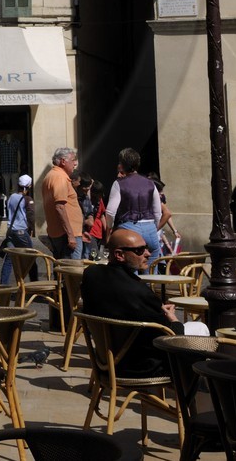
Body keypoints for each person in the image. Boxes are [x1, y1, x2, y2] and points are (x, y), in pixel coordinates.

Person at [79, 228, 187, 376]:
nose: (148, 254)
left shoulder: (91, 274)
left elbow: (119, 300)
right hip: (139, 366)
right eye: (139, 251)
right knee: (200, 333)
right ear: (119, 255)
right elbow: (174, 337)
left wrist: (153, 308)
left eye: (146, 248)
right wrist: (174, 319)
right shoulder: (140, 292)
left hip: (105, 361)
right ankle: (192, 395)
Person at [104, 147, 163, 262]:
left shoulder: (119, 184)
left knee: (130, 268)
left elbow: (110, 211)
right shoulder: (150, 183)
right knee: (151, 270)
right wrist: (153, 227)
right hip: (150, 228)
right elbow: (158, 212)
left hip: (128, 228)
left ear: (122, 164)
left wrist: (110, 227)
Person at [42, 147, 84, 259]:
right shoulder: (60, 177)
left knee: (63, 272)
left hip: (61, 234)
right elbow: (60, 206)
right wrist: (71, 235)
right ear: (63, 161)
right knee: (71, 272)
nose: (75, 163)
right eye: (73, 159)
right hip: (66, 236)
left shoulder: (52, 175)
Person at [0, 175, 36, 284]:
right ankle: (35, 284)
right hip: (21, 232)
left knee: (9, 259)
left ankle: (3, 285)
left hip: (10, 231)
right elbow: (31, 216)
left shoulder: (11, 197)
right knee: (31, 257)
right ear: (29, 186)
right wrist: (31, 229)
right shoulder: (27, 199)